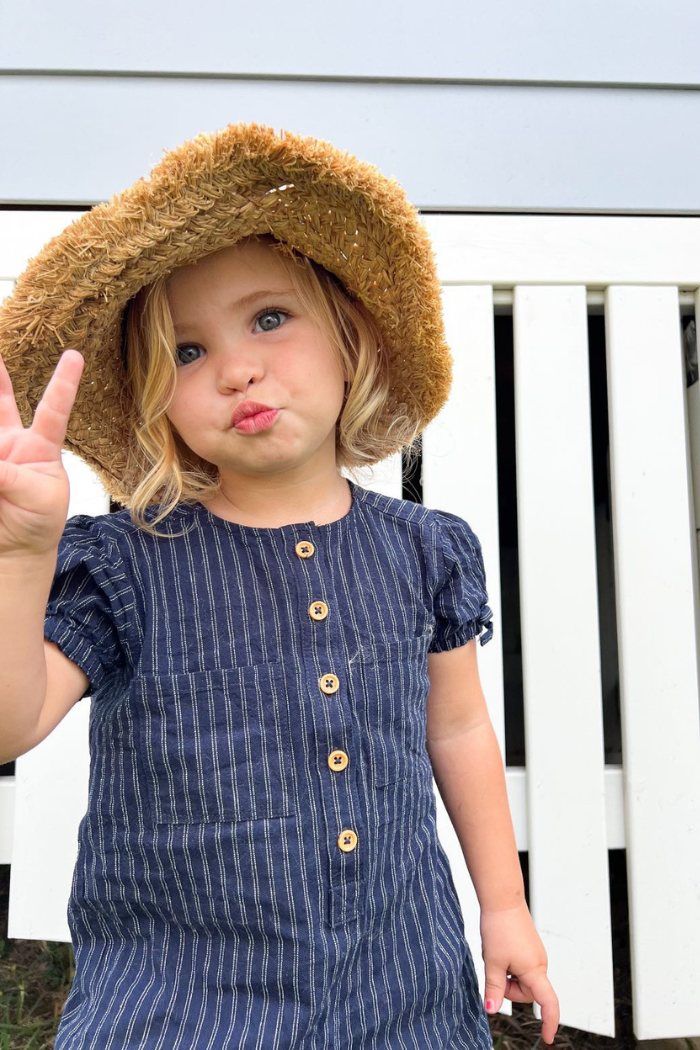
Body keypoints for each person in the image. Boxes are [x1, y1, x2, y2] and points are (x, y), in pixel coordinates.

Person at [0, 121, 560, 1049]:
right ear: (155, 401)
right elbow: (13, 721)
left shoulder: (427, 552)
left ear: (350, 341)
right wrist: (22, 558)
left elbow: (457, 725)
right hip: (180, 1004)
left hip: (400, 989)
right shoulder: (124, 562)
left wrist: (504, 908)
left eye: (269, 318)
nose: (236, 368)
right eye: (184, 353)